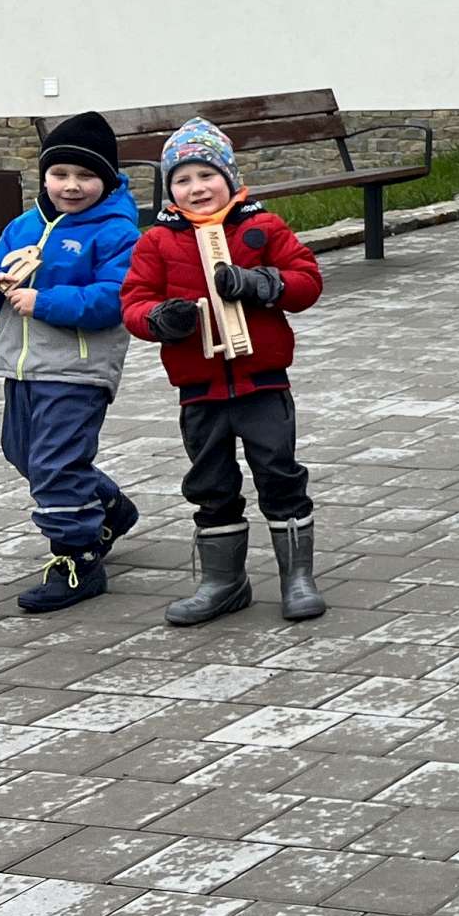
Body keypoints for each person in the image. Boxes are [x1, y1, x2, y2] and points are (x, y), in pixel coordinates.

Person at [118, 118, 327, 625]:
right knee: (210, 481)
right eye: (182, 179)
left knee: (278, 472)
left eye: (206, 175)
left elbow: (306, 280)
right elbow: (133, 302)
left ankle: (297, 578)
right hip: (199, 387)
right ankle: (224, 581)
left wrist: (261, 283)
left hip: (263, 382)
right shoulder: (157, 242)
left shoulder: (263, 228)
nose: (196, 188)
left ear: (230, 178)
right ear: (169, 190)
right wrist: (160, 319)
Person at [0, 111, 141, 614]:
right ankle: (109, 506)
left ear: (107, 179)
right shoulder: (22, 225)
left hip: (78, 368)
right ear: (44, 176)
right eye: (59, 174)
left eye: (85, 175)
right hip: (21, 365)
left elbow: (115, 298)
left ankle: (76, 558)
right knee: (21, 451)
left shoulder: (116, 232)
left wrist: (44, 302)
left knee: (55, 464)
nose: (71, 185)